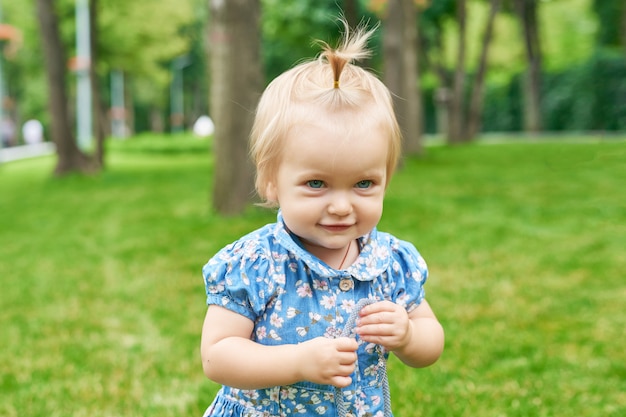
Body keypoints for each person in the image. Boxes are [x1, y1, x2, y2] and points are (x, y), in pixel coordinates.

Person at [200, 20, 444, 417]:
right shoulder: (255, 264)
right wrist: (297, 362)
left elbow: (430, 343)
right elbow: (218, 355)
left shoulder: (391, 263)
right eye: (317, 183)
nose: (342, 206)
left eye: (364, 183)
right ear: (270, 181)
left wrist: (409, 335)